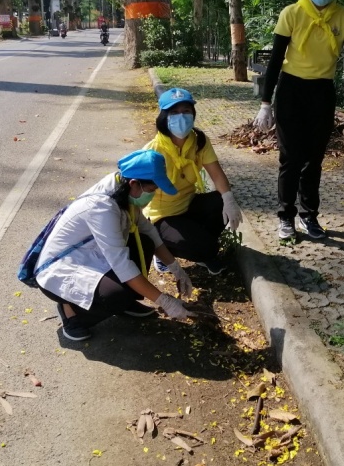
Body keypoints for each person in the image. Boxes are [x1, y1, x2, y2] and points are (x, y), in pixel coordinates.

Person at [253, 0, 344, 241]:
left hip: (322, 92)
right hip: (291, 90)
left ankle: (309, 215)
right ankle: (285, 216)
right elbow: (275, 60)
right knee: (290, 158)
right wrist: (265, 103)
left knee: (314, 159)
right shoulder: (292, 13)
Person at [35, 149, 194, 342]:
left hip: (91, 255)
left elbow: (148, 231)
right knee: (115, 295)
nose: (153, 195)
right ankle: (72, 313)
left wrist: (176, 269)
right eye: (152, 190)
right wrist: (164, 301)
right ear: (134, 183)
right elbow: (122, 265)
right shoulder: (102, 207)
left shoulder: (124, 189)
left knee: (145, 242)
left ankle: (126, 302)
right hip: (61, 268)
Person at [142, 88, 243, 275]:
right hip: (162, 216)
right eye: (174, 112)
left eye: (186, 111)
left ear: (193, 114)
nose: (181, 117)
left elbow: (216, 174)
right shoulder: (152, 151)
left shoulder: (199, 141)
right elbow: (137, 192)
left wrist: (229, 200)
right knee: (207, 247)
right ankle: (163, 250)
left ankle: (201, 247)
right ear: (164, 117)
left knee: (221, 201)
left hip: (188, 205)